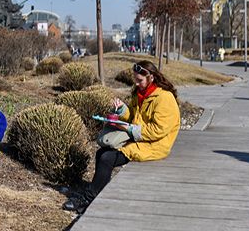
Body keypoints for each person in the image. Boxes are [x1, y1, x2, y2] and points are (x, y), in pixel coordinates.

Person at [63, 60, 180, 213]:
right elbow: (133, 116)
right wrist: (121, 110)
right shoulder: (141, 93)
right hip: (140, 137)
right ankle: (97, 193)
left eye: (140, 80)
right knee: (101, 153)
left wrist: (128, 128)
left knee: (107, 158)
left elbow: (157, 130)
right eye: (135, 80)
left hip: (155, 144)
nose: (136, 83)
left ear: (151, 78)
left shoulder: (164, 98)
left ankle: (88, 199)